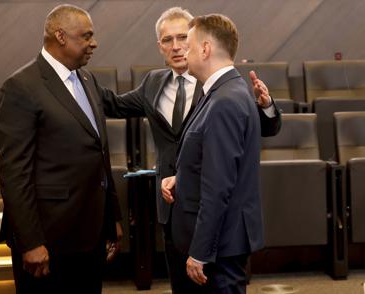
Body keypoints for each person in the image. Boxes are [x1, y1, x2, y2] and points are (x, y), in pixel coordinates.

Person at [100, 7, 279, 293]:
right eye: (167, 40)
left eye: (184, 38)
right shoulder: (153, 83)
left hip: (212, 215)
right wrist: (75, 78)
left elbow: (246, 140)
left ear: (202, 45)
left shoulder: (222, 89)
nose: (178, 46)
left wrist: (266, 106)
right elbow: (113, 105)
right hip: (173, 208)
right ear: (160, 46)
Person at [0, 4, 121, 293]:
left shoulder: (86, 78)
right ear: (60, 36)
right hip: (48, 240)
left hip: (88, 236)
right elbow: (15, 174)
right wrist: (31, 242)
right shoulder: (20, 87)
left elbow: (99, 154)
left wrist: (110, 217)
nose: (94, 43)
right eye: (86, 36)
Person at [161, 14, 263, 293]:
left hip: (218, 249)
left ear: (205, 49)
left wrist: (201, 252)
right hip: (221, 241)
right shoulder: (222, 91)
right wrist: (182, 177)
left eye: (189, 45)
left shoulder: (225, 100)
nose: (182, 50)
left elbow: (219, 186)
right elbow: (211, 162)